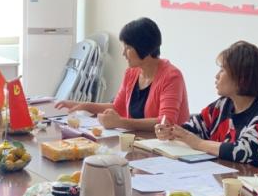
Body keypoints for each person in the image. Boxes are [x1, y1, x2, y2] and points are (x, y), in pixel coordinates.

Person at [155, 41, 258, 166]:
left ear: (242, 77)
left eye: (222, 70)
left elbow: (243, 151)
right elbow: (191, 129)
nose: (217, 76)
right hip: (226, 177)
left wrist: (198, 143)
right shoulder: (223, 105)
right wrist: (170, 132)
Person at [56, 17, 189, 132]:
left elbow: (165, 122)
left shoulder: (172, 76)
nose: (123, 53)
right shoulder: (132, 73)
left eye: (128, 48)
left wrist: (120, 122)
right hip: (139, 141)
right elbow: (117, 107)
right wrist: (82, 105)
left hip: (168, 146)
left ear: (144, 48)